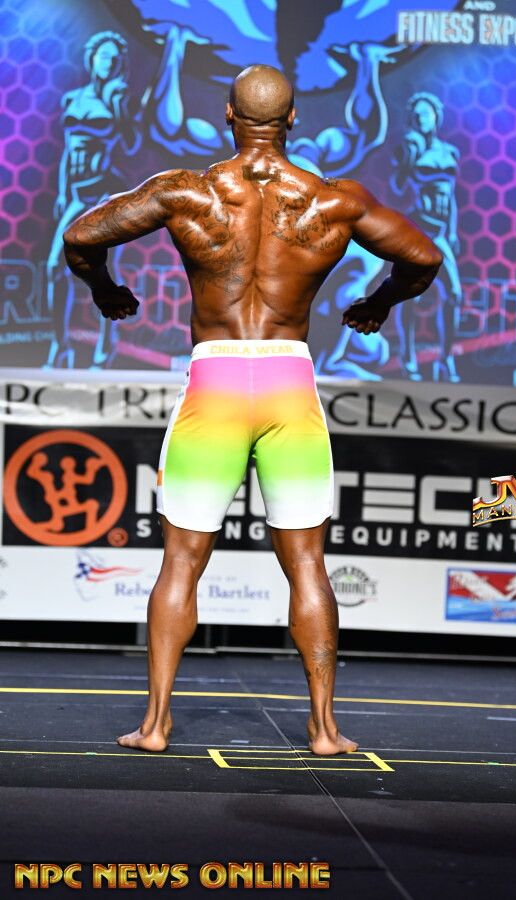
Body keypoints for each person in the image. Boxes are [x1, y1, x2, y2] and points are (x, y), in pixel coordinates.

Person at [63, 64, 442, 756]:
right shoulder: (333, 201)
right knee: (308, 564)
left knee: (181, 561)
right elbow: (424, 257)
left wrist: (104, 292)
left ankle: (155, 726)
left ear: (228, 116)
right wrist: (379, 303)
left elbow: (81, 236)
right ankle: (324, 730)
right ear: (293, 119)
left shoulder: (186, 191)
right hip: (288, 383)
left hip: (215, 381)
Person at [46, 31, 139, 369]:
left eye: (115, 58)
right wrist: (62, 191)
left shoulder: (119, 95)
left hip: (105, 190)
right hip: (76, 192)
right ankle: (60, 346)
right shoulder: (73, 98)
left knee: (106, 268)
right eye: (104, 55)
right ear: (92, 58)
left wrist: (118, 108)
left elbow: (131, 143)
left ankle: (105, 347)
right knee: (54, 268)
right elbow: (68, 151)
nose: (108, 62)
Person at [390, 92, 461, 382]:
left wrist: (453, 231)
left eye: (426, 113)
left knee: (453, 293)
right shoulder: (409, 147)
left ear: (436, 116)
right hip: (418, 228)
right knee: (411, 295)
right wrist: (409, 159)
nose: (422, 118)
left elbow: (451, 195)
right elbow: (397, 187)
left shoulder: (449, 151)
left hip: (441, 232)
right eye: (416, 115)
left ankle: (446, 360)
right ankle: (408, 359)